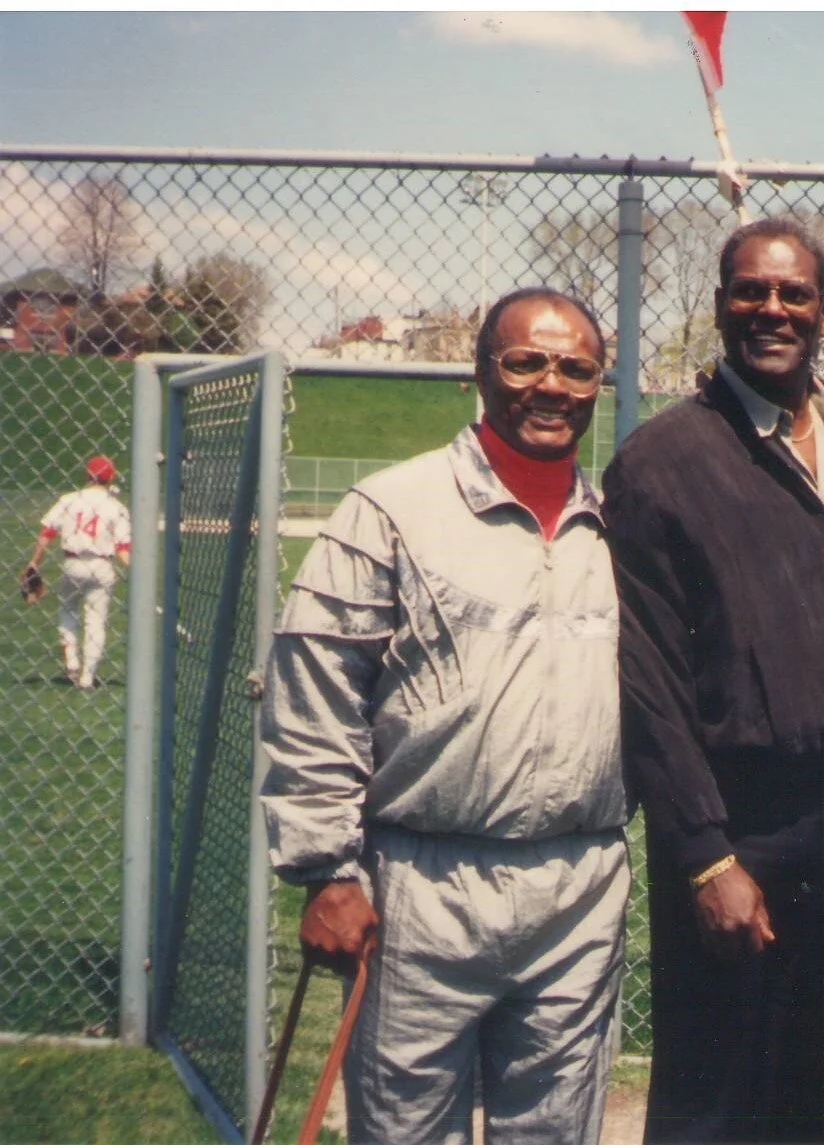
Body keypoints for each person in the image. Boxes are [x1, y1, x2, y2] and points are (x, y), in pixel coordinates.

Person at [259, 287, 628, 1145]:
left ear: (598, 384)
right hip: (420, 886)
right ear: (480, 371)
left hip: (578, 886)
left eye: (576, 368)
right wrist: (327, 871)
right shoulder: (391, 509)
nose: (551, 384)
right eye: (525, 360)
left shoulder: (623, 523)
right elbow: (315, 695)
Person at [603, 217, 824, 1143]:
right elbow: (649, 683)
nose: (771, 309)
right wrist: (706, 853)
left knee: (806, 1088)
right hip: (739, 827)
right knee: (715, 1098)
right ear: (718, 307)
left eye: (792, 293)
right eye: (750, 290)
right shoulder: (665, 462)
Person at [22, 455, 131, 689]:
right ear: (110, 477)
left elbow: (47, 534)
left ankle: (71, 662)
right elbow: (123, 550)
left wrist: (34, 563)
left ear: (87, 475)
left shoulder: (69, 500)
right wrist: (137, 573)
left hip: (73, 564)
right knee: (96, 621)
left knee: (67, 609)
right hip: (103, 566)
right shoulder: (117, 507)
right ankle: (87, 677)